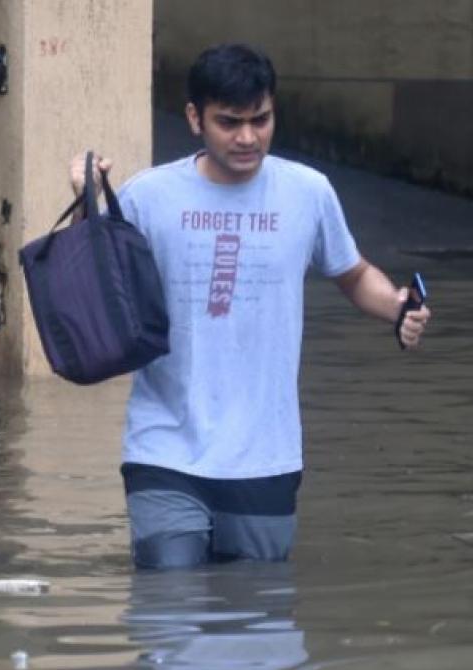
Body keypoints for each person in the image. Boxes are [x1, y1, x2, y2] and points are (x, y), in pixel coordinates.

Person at [69, 44, 431, 569]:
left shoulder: (308, 193)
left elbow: (352, 273)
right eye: (229, 122)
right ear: (194, 118)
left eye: (260, 120)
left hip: (266, 454)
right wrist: (86, 208)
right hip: (163, 448)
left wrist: (397, 306)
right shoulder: (148, 197)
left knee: (257, 621)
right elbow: (90, 286)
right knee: (170, 609)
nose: (247, 137)